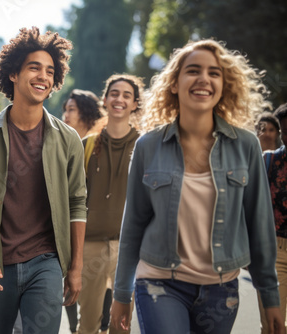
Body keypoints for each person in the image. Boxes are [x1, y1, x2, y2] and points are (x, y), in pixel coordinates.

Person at [110, 39, 285, 334]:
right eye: (193, 70)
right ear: (175, 84)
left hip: (221, 290)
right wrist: (120, 293)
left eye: (214, 73)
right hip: (159, 282)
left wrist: (270, 298)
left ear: (224, 84)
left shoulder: (246, 146)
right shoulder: (148, 146)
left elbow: (260, 227)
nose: (204, 78)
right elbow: (132, 227)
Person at [0, 26, 87, 334]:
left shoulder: (68, 139)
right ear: (14, 73)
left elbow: (77, 204)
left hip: (47, 262)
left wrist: (76, 266)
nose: (43, 76)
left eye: (50, 71)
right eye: (34, 68)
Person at [77, 74, 143, 334]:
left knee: (121, 325)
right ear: (105, 100)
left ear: (135, 104)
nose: (120, 99)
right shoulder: (86, 145)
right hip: (89, 247)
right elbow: (75, 200)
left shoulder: (145, 145)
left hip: (129, 249)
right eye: (114, 93)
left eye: (127, 95)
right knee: (88, 324)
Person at [61, 88, 106, 334]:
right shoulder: (64, 143)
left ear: (86, 113)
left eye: (71, 110)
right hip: (68, 235)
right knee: (70, 293)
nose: (65, 115)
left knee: (100, 307)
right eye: (65, 109)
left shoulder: (98, 144)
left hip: (96, 237)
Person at [259, 103, 287, 333]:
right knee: (273, 327)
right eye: (286, 130)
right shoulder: (267, 161)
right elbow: (251, 207)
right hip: (275, 253)